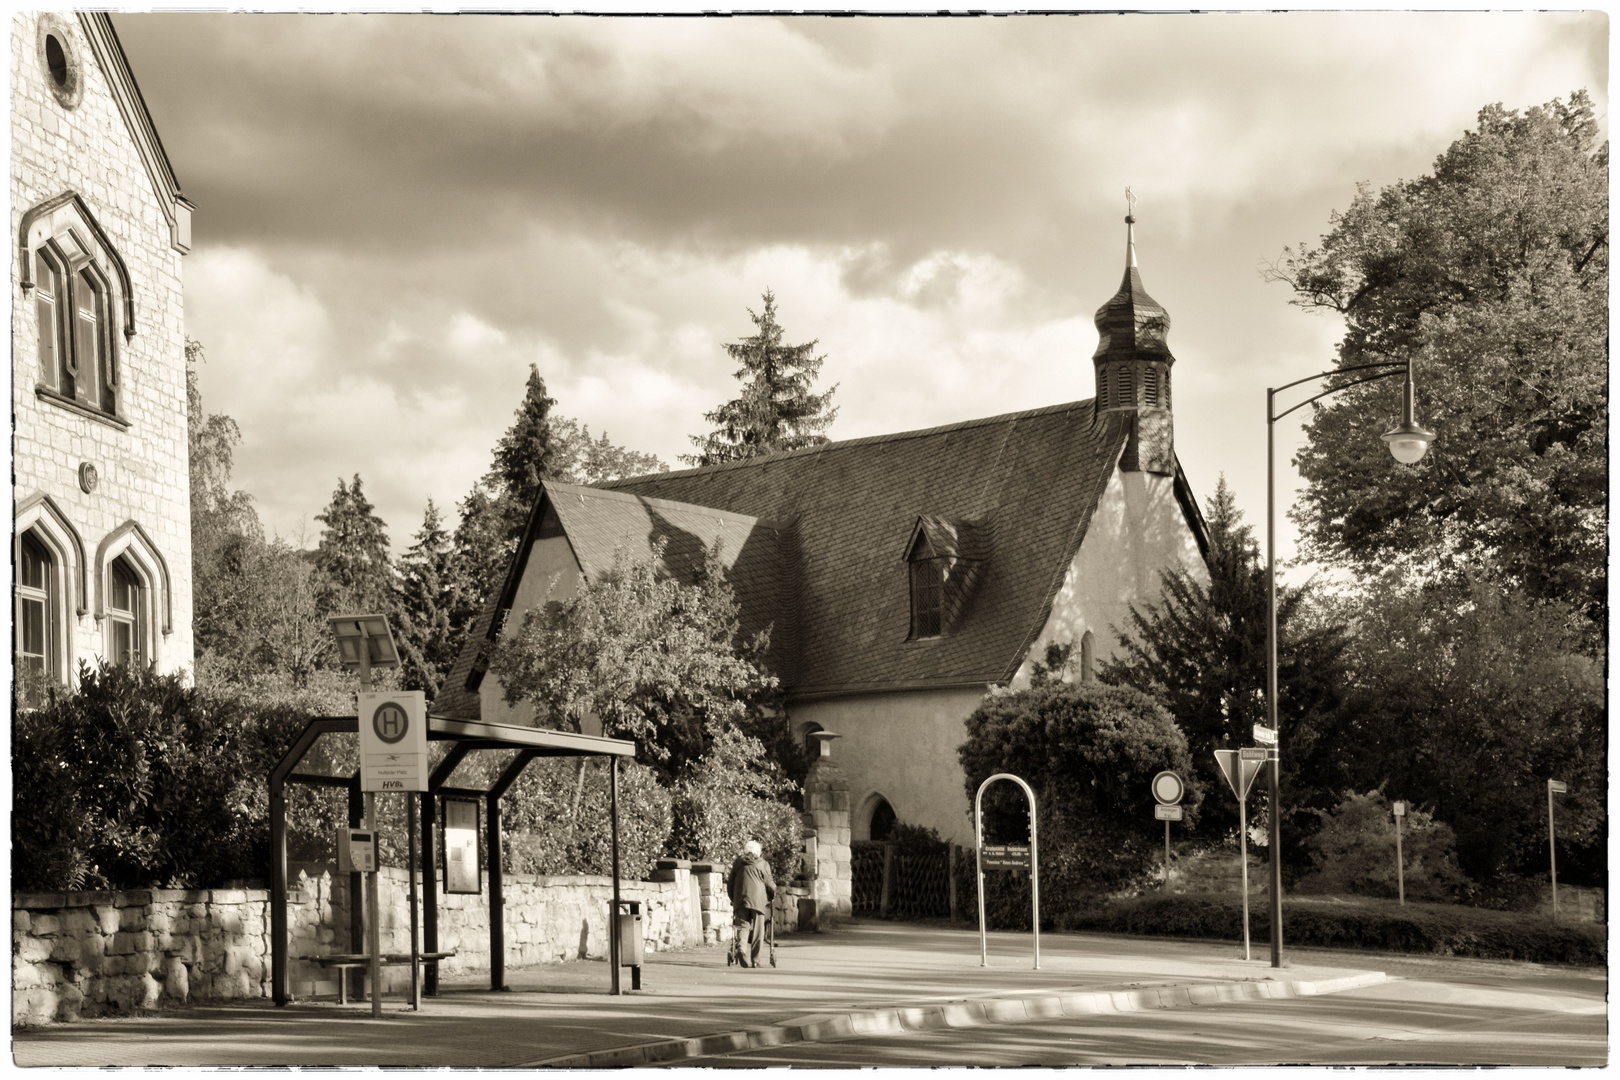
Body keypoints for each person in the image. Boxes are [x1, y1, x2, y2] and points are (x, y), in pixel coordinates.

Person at [727, 839, 775, 968]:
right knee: (758, 930)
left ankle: (741, 950)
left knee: (743, 927)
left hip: (740, 899)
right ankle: (755, 960)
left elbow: (730, 882)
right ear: (758, 852)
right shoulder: (762, 863)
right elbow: (769, 884)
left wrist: (733, 899)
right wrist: (772, 896)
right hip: (758, 900)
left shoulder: (738, 862)